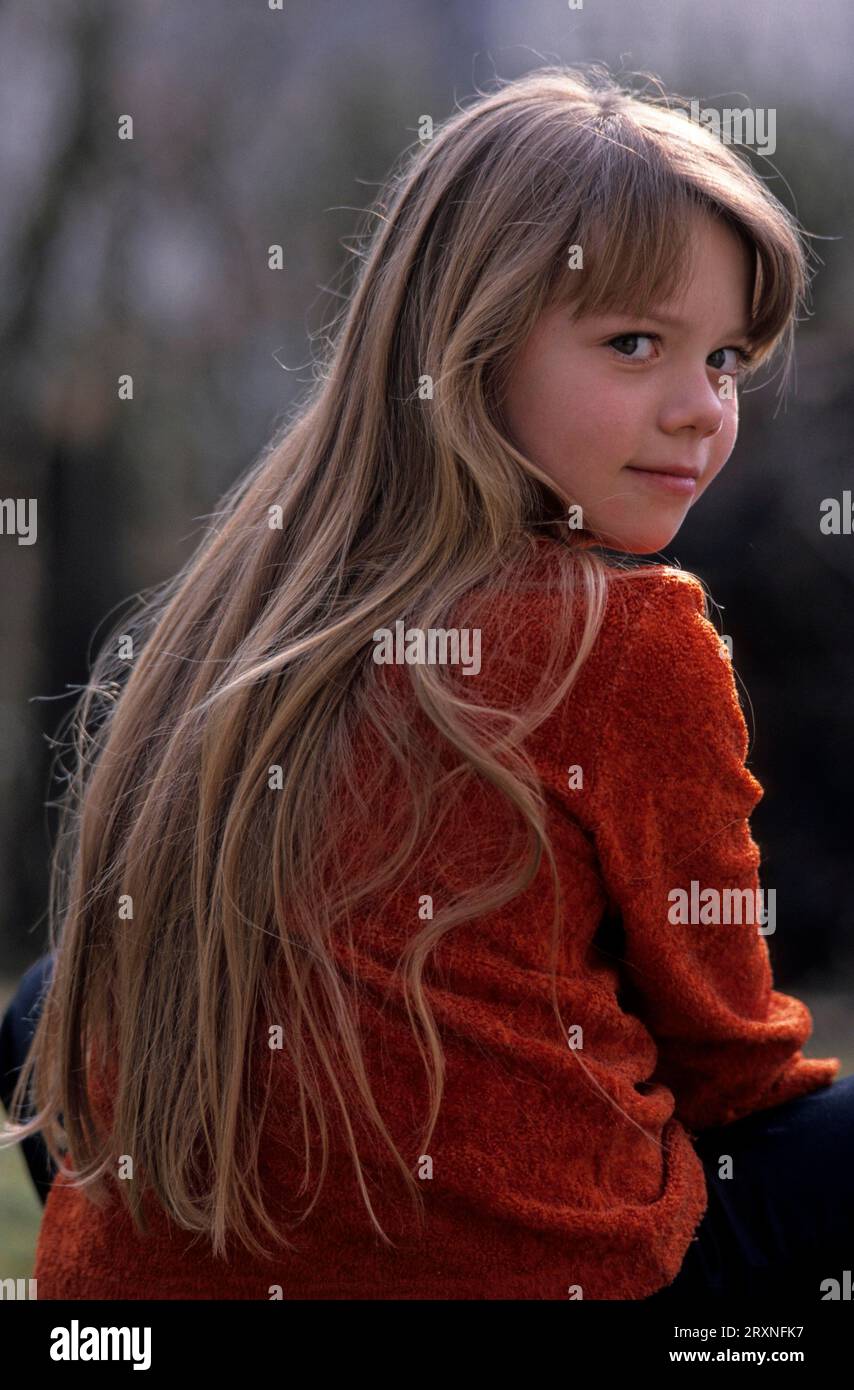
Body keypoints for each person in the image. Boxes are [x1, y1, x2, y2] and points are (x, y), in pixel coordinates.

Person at [0, 64, 844, 1300]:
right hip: (549, 1275)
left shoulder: (240, 602)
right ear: (469, 343)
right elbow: (733, 1069)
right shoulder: (629, 637)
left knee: (50, 999)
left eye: (721, 359)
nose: (697, 412)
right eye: (632, 344)